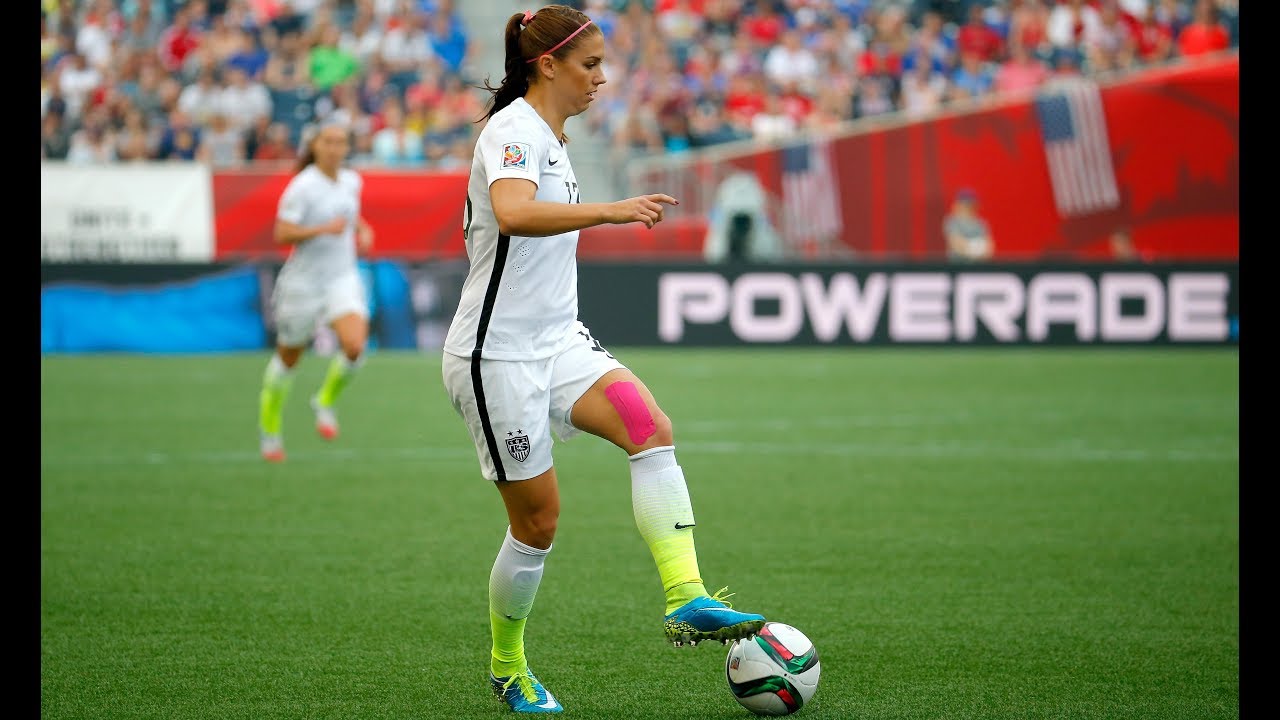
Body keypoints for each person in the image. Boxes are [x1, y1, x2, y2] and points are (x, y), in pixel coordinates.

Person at [440, 5, 765, 714]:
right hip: (497, 356)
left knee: (649, 426)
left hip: (558, 339)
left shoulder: (553, 137)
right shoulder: (514, 131)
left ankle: (685, 597)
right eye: (589, 64)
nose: (601, 78)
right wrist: (612, 210)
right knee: (538, 525)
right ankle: (507, 667)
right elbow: (514, 213)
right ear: (548, 64)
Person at [257, 121, 375, 463]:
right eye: (328, 141)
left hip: (341, 276)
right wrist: (323, 229)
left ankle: (324, 401)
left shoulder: (351, 180)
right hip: (303, 283)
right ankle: (269, 426)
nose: (335, 148)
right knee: (289, 356)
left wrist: (363, 229)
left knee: (355, 345)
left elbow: (349, 215)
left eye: (341, 142)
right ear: (315, 146)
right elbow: (281, 233)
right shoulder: (302, 187)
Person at [943, 188, 994, 262]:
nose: (968, 208)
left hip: (979, 265)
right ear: (959, 205)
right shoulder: (952, 221)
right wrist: (978, 248)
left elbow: (989, 248)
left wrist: (970, 248)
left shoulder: (981, 223)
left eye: (971, 205)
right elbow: (956, 244)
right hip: (958, 264)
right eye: (966, 205)